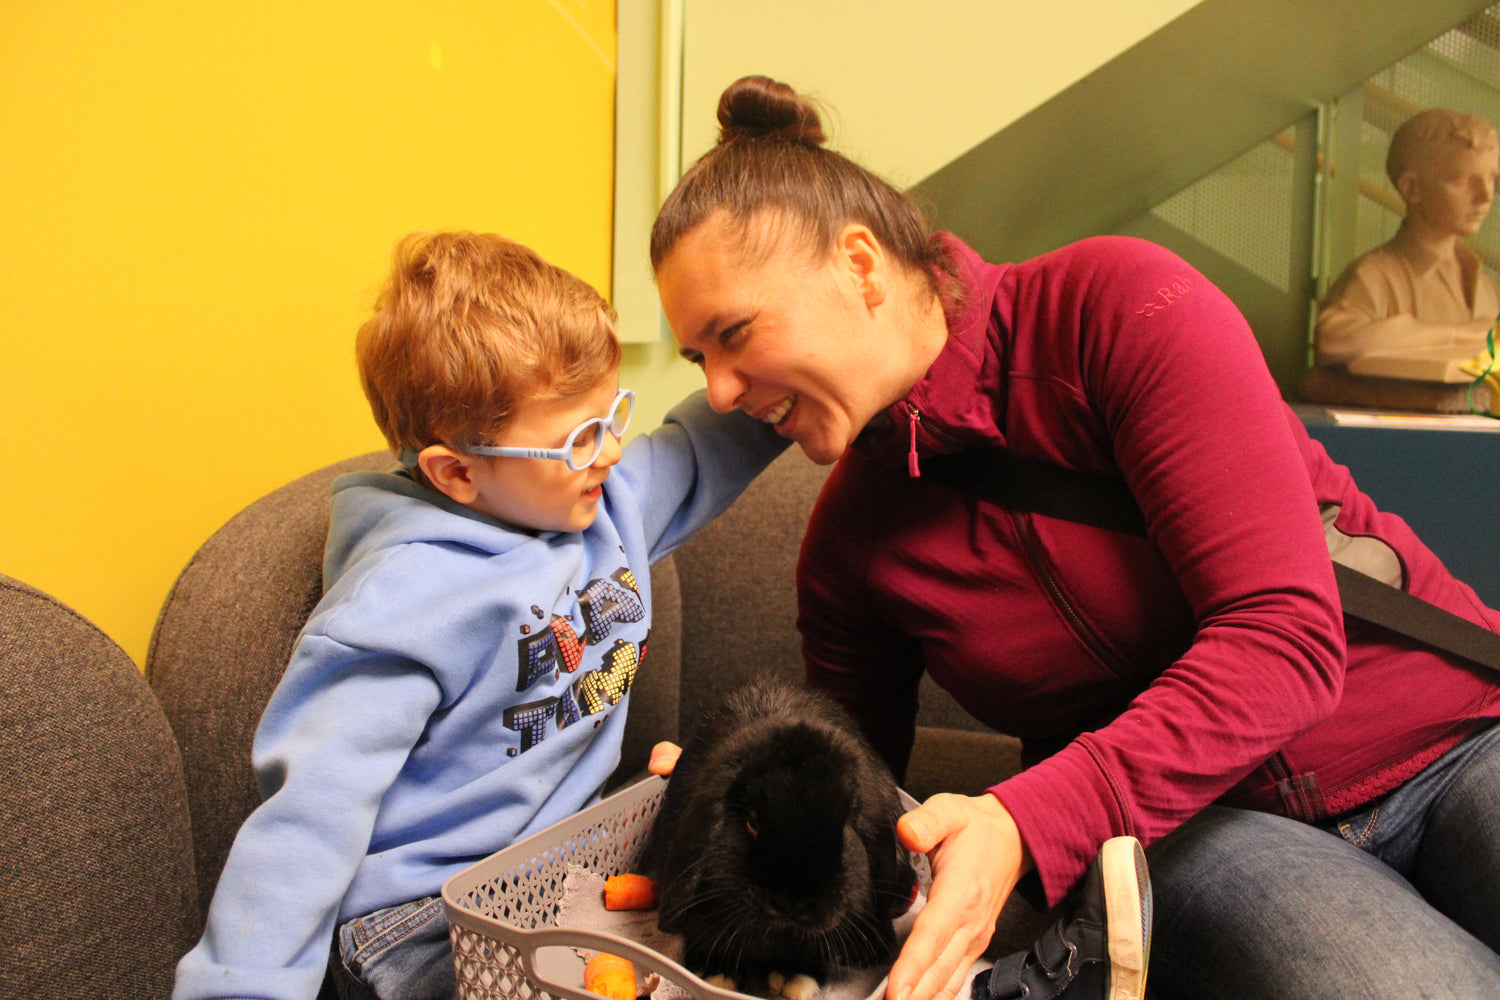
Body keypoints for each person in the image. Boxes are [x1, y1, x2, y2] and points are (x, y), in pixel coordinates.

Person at [649, 76, 1500, 1000]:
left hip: (1449, 735)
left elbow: (1284, 636)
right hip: (1203, 834)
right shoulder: (850, 544)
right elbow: (858, 798)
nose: (721, 393)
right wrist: (730, 783)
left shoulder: (1117, 309)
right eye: (702, 361)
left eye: (734, 335)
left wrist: (1023, 822)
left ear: (859, 266)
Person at [172, 231, 787, 1000]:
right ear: (457, 471)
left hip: (564, 883)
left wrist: (814, 355)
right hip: (422, 920)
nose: (608, 453)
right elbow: (307, 823)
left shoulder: (603, 499)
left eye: (611, 417)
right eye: (577, 439)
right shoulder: (403, 603)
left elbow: (712, 440)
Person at [1309, 108, 1500, 389]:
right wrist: (1461, 333)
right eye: (1463, 181)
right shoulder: (1373, 276)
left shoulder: (1484, 285)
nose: (1485, 197)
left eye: (1492, 179)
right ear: (1412, 188)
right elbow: (1334, 341)